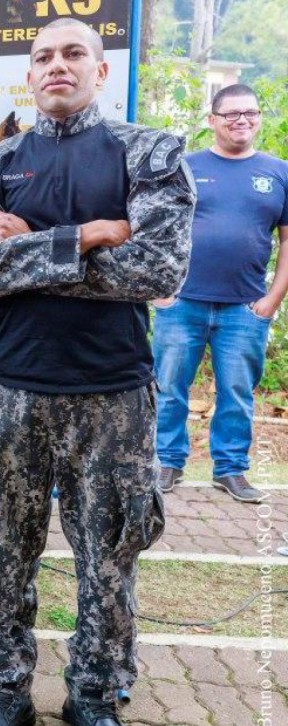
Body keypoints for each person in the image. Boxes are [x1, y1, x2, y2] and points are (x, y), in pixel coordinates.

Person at [0, 19, 194, 726]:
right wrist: (92, 233)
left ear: (100, 69)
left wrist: (27, 245)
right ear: (28, 74)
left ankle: (95, 699)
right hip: (11, 391)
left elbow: (158, 271)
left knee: (110, 561)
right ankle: (5, 697)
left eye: (73, 53)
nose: (57, 65)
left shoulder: (148, 153)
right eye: (43, 56)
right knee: (1, 556)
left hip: (113, 394)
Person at [153, 83, 288, 503]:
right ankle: (166, 462)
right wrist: (161, 290)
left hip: (245, 308)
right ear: (212, 120)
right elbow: (156, 227)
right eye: (231, 113)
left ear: (259, 118)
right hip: (182, 303)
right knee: (169, 388)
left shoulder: (279, 172)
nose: (241, 120)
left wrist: (272, 300)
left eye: (250, 112)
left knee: (237, 394)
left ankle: (230, 469)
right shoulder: (185, 167)